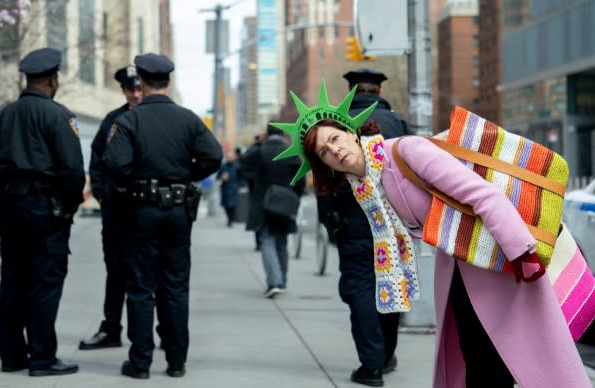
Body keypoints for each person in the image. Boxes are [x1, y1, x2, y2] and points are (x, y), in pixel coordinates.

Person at [271, 81, 591, 388]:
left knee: (500, 362)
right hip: (460, 270)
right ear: (324, 165)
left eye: (335, 138)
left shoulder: (406, 152)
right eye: (325, 152)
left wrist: (521, 251)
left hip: (498, 258)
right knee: (478, 363)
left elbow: (481, 195)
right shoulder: (366, 187)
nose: (335, 150)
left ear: (351, 133)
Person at [103, 53, 222, 379]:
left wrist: (135, 178)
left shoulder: (128, 121)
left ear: (140, 81)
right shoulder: (188, 119)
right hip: (179, 211)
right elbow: (213, 156)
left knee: (140, 287)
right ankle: (176, 361)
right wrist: (187, 174)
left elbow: (114, 163)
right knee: (175, 285)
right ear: (168, 82)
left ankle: (140, 363)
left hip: (140, 210)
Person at [0, 47, 84, 376]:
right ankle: (42, 358)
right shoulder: (58, 116)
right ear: (53, 80)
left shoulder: (3, 116)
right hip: (45, 209)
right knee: (44, 280)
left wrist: (5, 201)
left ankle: (12, 356)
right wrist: (68, 209)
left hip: (10, 208)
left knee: (13, 278)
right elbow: (72, 171)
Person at [316, 69, 413, 386]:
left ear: (350, 91)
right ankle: (386, 357)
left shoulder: (335, 126)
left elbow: (324, 180)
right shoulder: (397, 124)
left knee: (359, 289)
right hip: (392, 221)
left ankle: (370, 365)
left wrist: (330, 221)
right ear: (380, 92)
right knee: (390, 282)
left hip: (352, 220)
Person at [79, 66, 142, 350]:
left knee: (154, 273)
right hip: (117, 210)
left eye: (140, 89)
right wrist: (103, 196)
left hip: (148, 209)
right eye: (131, 89)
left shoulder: (157, 117)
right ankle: (111, 328)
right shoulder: (111, 121)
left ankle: (166, 331)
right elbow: (98, 161)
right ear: (124, 91)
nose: (136, 94)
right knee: (116, 271)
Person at [240, 124, 304, 298]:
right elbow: (300, 178)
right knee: (282, 243)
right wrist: (294, 196)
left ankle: (274, 282)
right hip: (285, 202)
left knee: (267, 241)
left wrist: (257, 143)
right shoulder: (290, 151)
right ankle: (281, 281)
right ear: (282, 133)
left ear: (266, 134)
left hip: (264, 202)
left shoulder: (261, 150)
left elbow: (244, 161)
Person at [239, 132, 266, 251]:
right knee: (260, 214)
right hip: (257, 187)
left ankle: (261, 241)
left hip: (258, 188)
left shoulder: (258, 149)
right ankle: (260, 241)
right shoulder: (256, 149)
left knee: (260, 213)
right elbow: (243, 163)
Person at [217, 150, 241, 227]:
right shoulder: (223, 166)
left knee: (233, 205)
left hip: (234, 188)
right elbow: (218, 176)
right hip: (225, 188)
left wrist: (238, 185)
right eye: (228, 157)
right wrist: (221, 177)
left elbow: (241, 178)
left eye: (231, 157)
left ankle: (230, 220)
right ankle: (229, 219)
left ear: (234, 157)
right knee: (226, 205)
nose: (229, 158)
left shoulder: (237, 166)